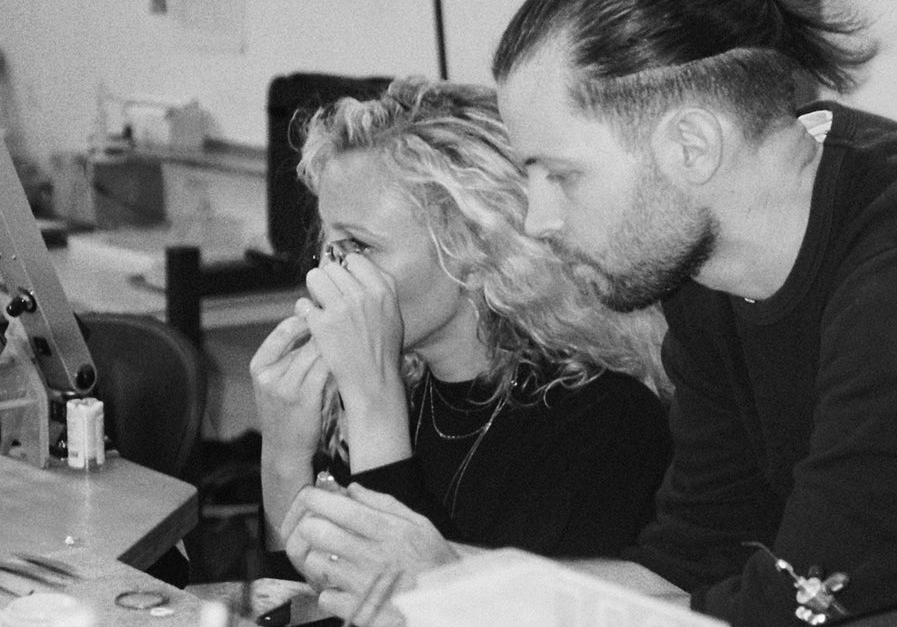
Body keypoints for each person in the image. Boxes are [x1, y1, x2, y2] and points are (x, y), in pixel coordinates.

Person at [482, 0, 897, 627]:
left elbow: (806, 609)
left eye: (561, 174)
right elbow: (695, 558)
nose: (536, 219)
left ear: (692, 146)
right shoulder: (709, 271)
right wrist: (455, 582)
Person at [254, 77, 672, 617]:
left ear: (474, 249)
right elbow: (307, 606)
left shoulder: (603, 421)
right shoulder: (399, 382)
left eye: (360, 246)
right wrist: (283, 454)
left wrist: (375, 405)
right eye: (330, 245)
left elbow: (412, 611)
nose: (329, 277)